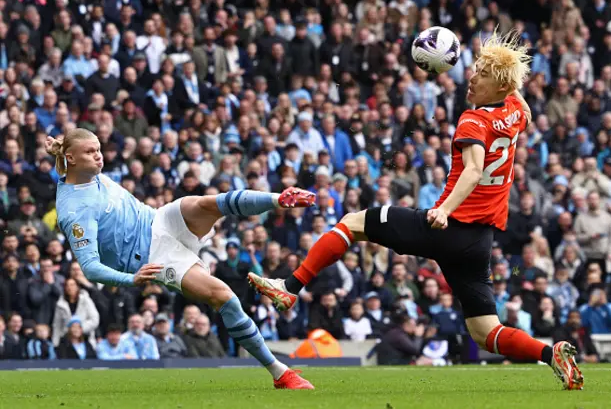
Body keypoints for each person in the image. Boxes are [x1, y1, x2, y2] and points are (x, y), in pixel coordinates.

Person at [250, 31, 583, 390]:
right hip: (478, 240)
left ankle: (289, 285)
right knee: (485, 331)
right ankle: (553, 355)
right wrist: (503, 71)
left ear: (500, 87)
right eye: (475, 70)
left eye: (483, 75)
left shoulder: (473, 121)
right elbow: (523, 107)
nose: (472, 77)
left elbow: (473, 170)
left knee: (353, 222)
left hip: (448, 226)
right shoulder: (515, 111)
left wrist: (444, 211)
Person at [46, 129, 315, 389]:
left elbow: (67, 154)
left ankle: (280, 198)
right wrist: (132, 279)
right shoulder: (73, 211)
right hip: (151, 256)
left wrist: (57, 148)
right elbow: (90, 268)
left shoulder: (84, 170)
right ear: (71, 158)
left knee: (202, 203)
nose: (99, 156)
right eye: (91, 152)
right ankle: (280, 372)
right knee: (224, 296)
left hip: (157, 219)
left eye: (99, 149)